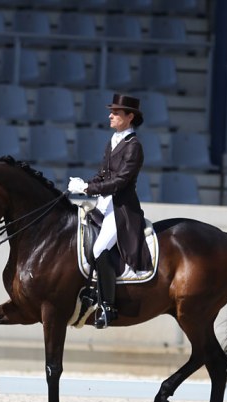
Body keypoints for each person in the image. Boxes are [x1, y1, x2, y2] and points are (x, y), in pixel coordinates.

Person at [68, 93, 152, 329]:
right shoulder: (113, 140)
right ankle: (90, 293)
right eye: (112, 112)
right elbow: (103, 175)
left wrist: (87, 188)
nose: (110, 116)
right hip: (103, 205)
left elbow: (120, 182)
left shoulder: (133, 147)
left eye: (116, 113)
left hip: (122, 208)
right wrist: (84, 184)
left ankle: (108, 306)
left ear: (130, 117)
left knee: (99, 247)